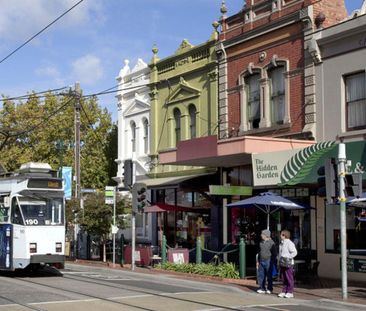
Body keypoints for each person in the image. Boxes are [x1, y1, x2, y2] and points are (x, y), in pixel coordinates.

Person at [278, 229, 298, 298]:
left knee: (289, 277)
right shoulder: (281, 243)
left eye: (281, 234)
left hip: (288, 263)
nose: (280, 235)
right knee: (284, 278)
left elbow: (294, 252)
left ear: (284, 235)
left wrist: (288, 257)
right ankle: (284, 291)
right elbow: (280, 253)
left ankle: (290, 292)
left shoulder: (289, 243)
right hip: (282, 263)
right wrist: (279, 259)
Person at [256, 229, 277, 294]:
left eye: (262, 234)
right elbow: (259, 252)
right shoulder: (261, 243)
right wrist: (258, 261)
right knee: (261, 275)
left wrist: (272, 261)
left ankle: (270, 288)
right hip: (261, 260)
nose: (261, 235)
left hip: (268, 261)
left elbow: (274, 253)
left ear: (266, 235)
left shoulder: (271, 243)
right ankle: (262, 288)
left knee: (269, 275)